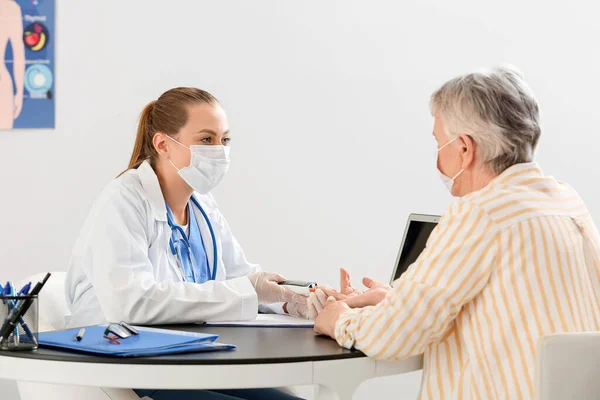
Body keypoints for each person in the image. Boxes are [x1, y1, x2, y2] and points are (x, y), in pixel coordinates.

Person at [311, 66, 600, 399]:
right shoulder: (566, 201)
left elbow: (394, 336)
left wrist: (338, 319)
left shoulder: (482, 212)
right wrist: (396, 301)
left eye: (438, 142)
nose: (437, 156)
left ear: (465, 148)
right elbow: (509, 310)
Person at [65, 87, 307, 400]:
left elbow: (241, 279)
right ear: (163, 144)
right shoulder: (123, 201)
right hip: (131, 361)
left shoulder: (203, 205)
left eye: (225, 140)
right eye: (206, 139)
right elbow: (131, 304)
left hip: (193, 356)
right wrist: (252, 288)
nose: (219, 150)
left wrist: (294, 300)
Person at [0, 0, 25, 129]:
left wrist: (20, 92)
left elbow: (19, 55)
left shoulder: (10, 8)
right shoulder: (11, 8)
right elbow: (19, 55)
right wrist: (19, 93)